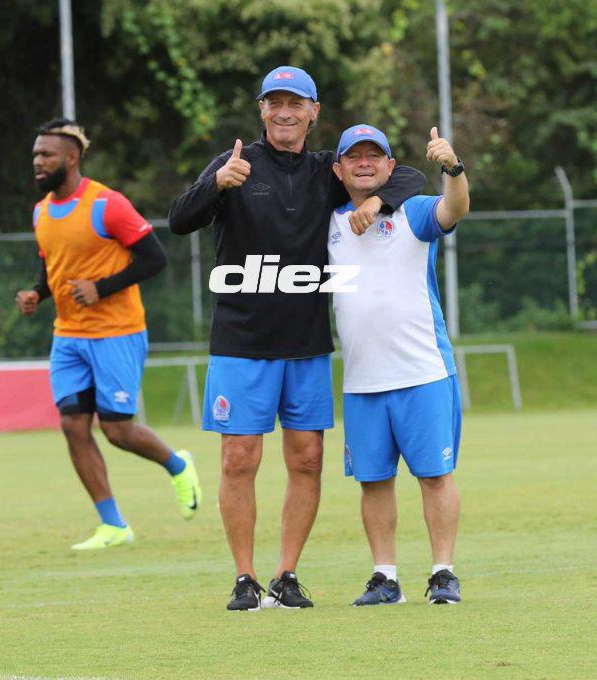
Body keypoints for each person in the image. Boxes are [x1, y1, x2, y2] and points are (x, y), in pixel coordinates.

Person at [168, 66, 426, 610]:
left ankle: (286, 575)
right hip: (241, 340)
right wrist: (217, 184)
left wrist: (376, 203)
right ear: (261, 109)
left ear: (313, 111)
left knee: (307, 459)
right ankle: (244, 577)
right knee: (239, 458)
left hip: (307, 343)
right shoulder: (235, 163)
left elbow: (409, 177)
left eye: (296, 103)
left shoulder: (325, 170)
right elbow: (179, 219)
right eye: (275, 102)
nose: (284, 112)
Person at [16, 118, 203, 550]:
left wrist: (101, 289)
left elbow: (154, 258)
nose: (38, 161)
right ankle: (114, 525)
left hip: (117, 332)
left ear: (71, 158)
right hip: (68, 336)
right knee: (72, 425)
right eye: (35, 154)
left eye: (46, 154)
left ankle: (177, 465)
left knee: (117, 431)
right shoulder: (41, 211)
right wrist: (37, 294)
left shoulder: (107, 204)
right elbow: (52, 267)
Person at [327, 123, 469, 605]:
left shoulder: (414, 212)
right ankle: (384, 577)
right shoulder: (327, 222)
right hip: (362, 380)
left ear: (390, 165)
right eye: (354, 156)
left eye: (375, 155)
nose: (364, 163)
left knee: (435, 475)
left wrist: (453, 169)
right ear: (338, 169)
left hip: (422, 372)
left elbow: (455, 208)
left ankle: (443, 573)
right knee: (373, 481)